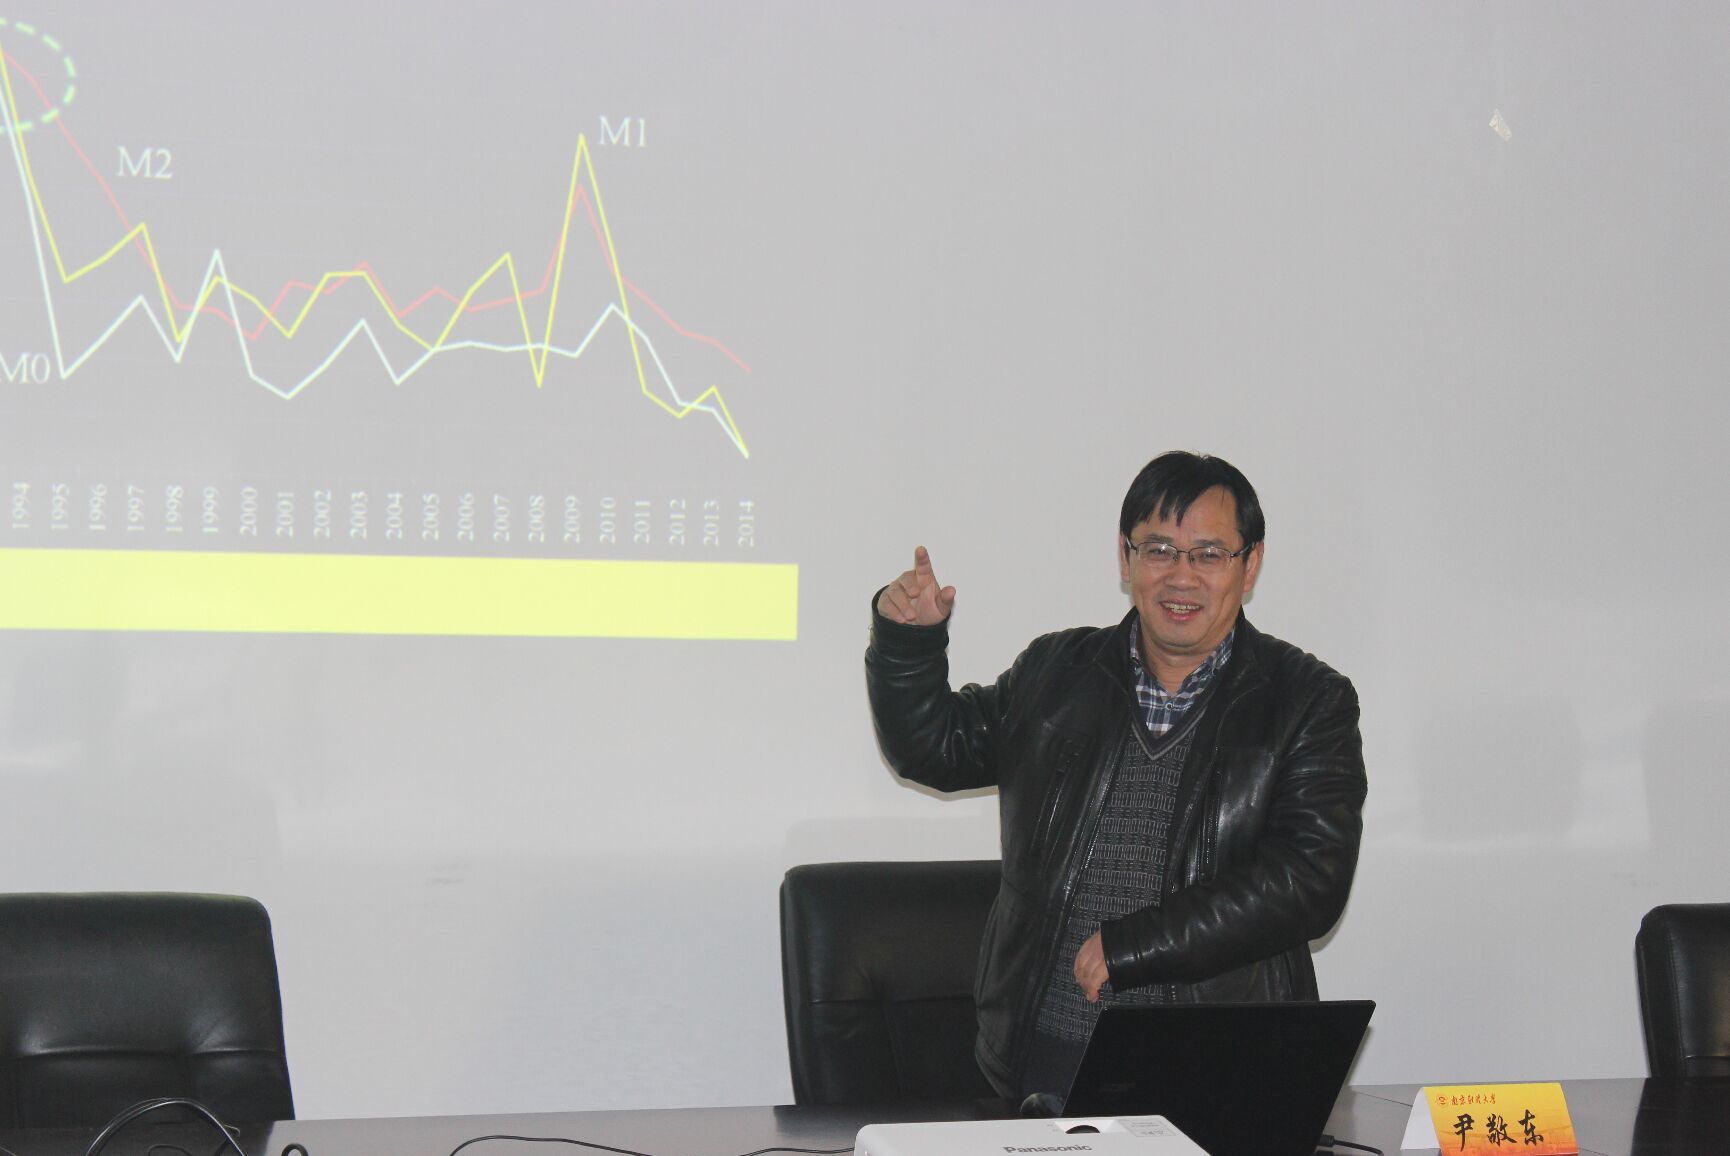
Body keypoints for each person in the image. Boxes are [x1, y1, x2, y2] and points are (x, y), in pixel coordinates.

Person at [865, 450, 1366, 1105]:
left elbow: (1309, 879)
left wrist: (1136, 947)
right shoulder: (1056, 672)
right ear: (1125, 560)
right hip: (1051, 1051)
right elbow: (937, 750)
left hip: (1219, 1061)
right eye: (1158, 550)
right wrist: (907, 646)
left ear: (1250, 566)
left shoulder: (1306, 701)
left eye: (1209, 554)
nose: (1181, 576)